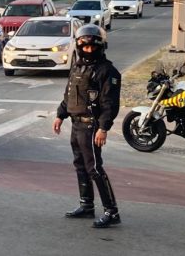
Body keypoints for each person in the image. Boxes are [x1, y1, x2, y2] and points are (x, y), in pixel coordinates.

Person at [52, 24, 122, 228]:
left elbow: (110, 103)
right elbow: (69, 95)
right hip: (76, 124)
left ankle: (112, 211)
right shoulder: (77, 66)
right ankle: (87, 205)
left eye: (92, 47)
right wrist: (60, 115)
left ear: (100, 46)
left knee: (95, 169)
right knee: (80, 166)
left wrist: (104, 128)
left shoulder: (108, 71)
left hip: (91, 126)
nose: (88, 50)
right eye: (85, 46)